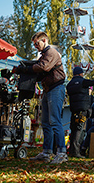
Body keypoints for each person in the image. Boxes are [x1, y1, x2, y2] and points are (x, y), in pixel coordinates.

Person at [19, 32, 67, 164]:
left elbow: (43, 67)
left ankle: (62, 152)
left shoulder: (51, 52)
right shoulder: (44, 55)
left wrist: (26, 69)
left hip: (56, 88)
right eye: (34, 44)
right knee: (45, 122)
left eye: (37, 43)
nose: (35, 46)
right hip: (49, 89)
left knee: (54, 121)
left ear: (44, 40)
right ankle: (47, 152)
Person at [66, 67, 94, 158]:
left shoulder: (69, 84)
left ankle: (71, 151)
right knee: (79, 130)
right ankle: (76, 152)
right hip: (82, 110)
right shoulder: (83, 82)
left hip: (73, 109)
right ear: (80, 73)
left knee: (74, 130)